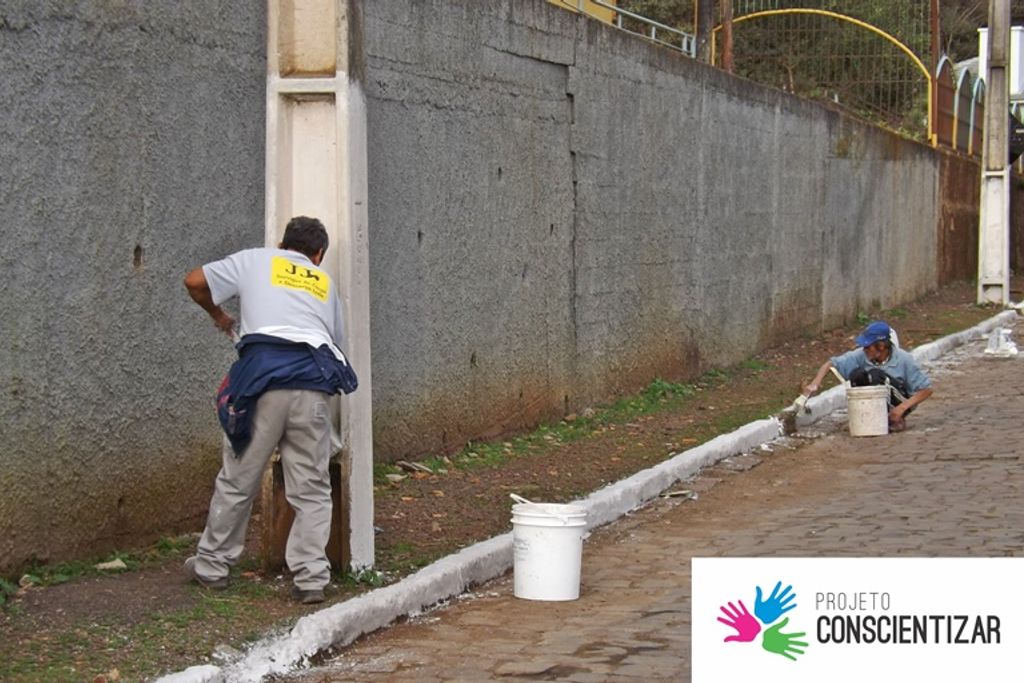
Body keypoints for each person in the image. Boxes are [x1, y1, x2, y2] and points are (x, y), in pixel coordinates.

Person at [182, 216, 357, 604]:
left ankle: (212, 567)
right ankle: (311, 578)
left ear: (282, 246)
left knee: (238, 479)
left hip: (261, 383)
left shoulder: (256, 260)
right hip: (312, 386)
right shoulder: (323, 282)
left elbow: (194, 280)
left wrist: (218, 315)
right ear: (319, 254)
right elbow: (335, 343)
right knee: (311, 488)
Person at [803, 320, 932, 433]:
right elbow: (831, 363)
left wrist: (901, 409)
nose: (864, 350)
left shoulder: (904, 359)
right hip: (878, 398)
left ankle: (893, 420)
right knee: (857, 374)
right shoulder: (861, 355)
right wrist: (815, 383)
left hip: (900, 402)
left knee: (876, 375)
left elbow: (926, 390)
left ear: (881, 346)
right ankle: (868, 418)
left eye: (868, 347)